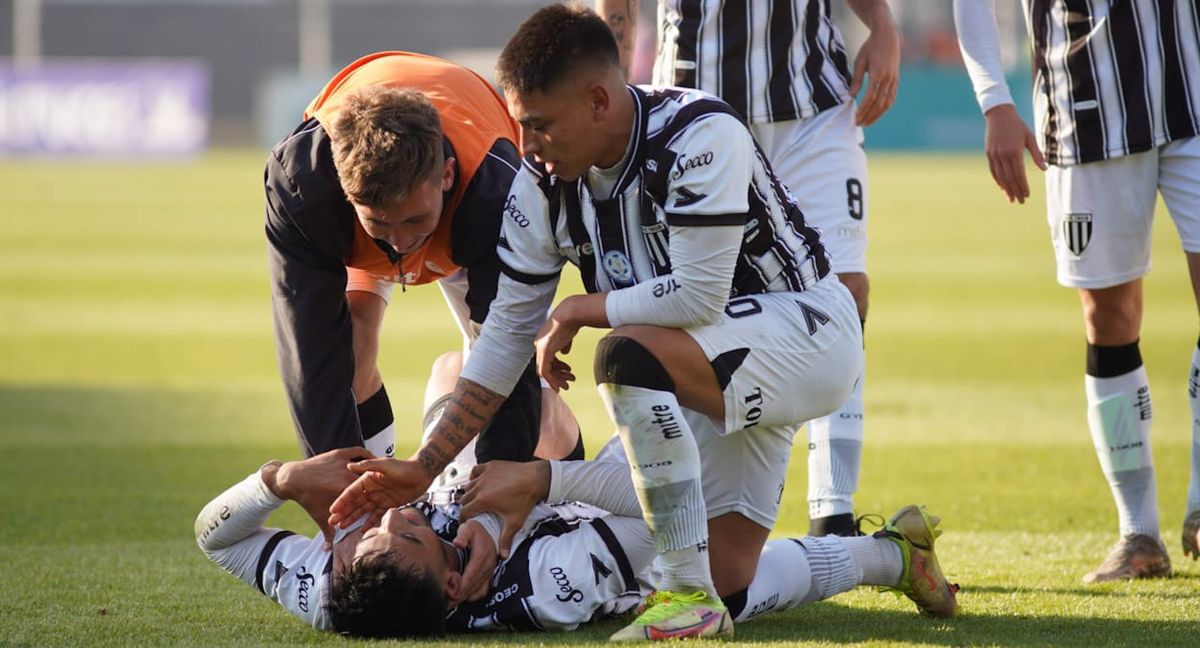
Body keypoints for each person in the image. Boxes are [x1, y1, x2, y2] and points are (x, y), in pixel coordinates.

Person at [329, 4, 871, 640]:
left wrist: (577, 310)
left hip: (806, 339)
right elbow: (504, 337)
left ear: (597, 101)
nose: (527, 146)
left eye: (539, 125)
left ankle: (687, 599)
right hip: (700, 370)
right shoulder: (542, 184)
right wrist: (426, 465)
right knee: (733, 580)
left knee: (623, 355)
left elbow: (698, 297)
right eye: (521, 125)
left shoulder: (699, 133)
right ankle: (891, 555)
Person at [596, 0, 900, 537]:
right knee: (698, 299)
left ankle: (833, 511)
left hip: (811, 107)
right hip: (690, 118)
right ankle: (693, 503)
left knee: (847, 288)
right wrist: (612, 77)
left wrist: (881, 22)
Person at [195, 442, 958, 638]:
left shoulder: (337, 597)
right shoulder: (550, 587)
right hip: (648, 560)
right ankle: (896, 554)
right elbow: (669, 507)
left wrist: (279, 480)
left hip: (573, 509)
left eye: (376, 533)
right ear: (454, 585)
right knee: (743, 578)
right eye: (415, 536)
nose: (397, 518)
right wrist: (542, 481)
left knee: (455, 373)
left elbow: (216, 540)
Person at [953, 0, 1200, 581]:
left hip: (1193, 98)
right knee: (1108, 320)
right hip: (1085, 112)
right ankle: (1138, 533)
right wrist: (995, 101)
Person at [265, 50, 579, 463]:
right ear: (346, 192)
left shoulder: (497, 196)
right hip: (379, 218)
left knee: (533, 400)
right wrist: (338, 489)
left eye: (414, 220)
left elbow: (505, 354)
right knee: (352, 347)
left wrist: (497, 483)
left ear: (446, 174)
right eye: (380, 222)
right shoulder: (302, 186)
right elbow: (311, 355)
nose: (399, 243)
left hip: (468, 224)